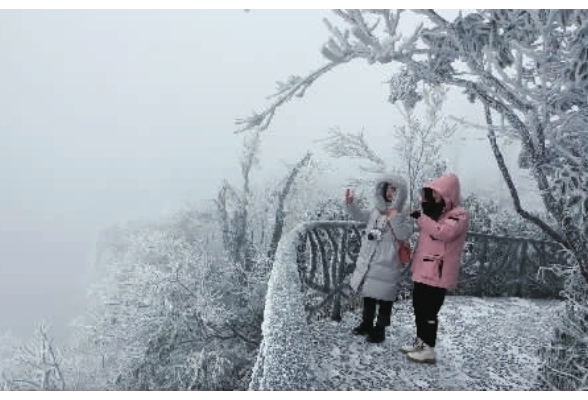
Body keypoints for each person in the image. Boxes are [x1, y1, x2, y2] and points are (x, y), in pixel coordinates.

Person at [401, 173, 469, 364]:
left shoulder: (458, 215)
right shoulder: (434, 213)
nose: (435, 196)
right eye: (433, 192)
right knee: (419, 307)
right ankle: (421, 343)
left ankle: (429, 349)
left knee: (429, 310)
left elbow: (443, 233)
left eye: (439, 193)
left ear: (450, 194)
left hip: (438, 272)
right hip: (423, 269)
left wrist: (421, 218)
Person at [345, 173, 413, 344]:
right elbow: (360, 216)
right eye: (389, 189)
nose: (392, 193)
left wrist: (395, 216)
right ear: (382, 190)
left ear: (401, 193)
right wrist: (351, 205)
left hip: (389, 261)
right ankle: (366, 324)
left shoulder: (406, 211)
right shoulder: (377, 210)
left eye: (396, 190)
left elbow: (404, 233)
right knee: (368, 294)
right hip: (370, 258)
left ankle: (380, 330)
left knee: (385, 297)